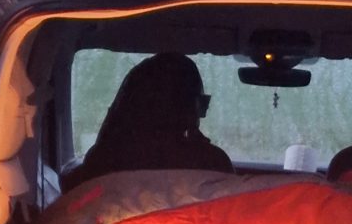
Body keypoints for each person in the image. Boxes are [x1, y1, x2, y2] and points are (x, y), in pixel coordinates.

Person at [69, 53, 233, 183]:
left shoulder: (102, 160)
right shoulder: (213, 163)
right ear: (188, 106)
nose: (203, 111)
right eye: (201, 102)